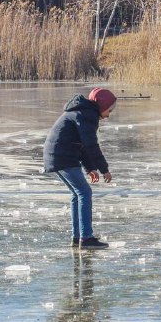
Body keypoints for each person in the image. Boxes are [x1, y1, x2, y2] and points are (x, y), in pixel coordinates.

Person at [43, 87, 116, 250]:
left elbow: (82, 144)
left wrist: (90, 167)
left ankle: (78, 237)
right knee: (84, 192)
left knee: (78, 194)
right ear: (102, 105)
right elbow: (91, 145)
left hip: (58, 155)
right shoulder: (87, 116)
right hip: (62, 156)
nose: (109, 114)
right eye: (109, 109)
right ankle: (86, 238)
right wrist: (104, 169)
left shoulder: (83, 112)